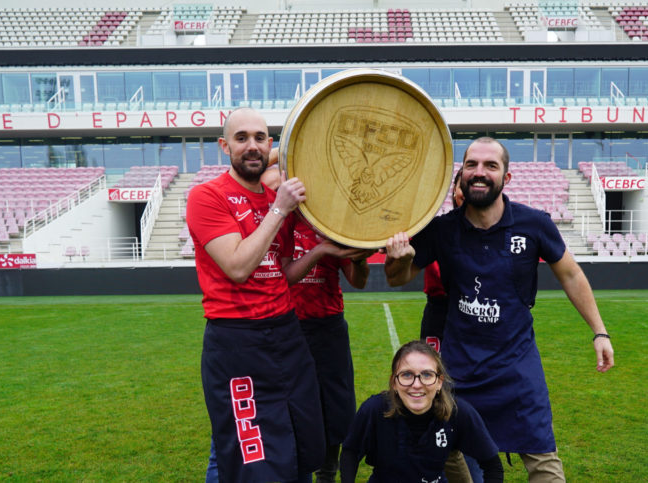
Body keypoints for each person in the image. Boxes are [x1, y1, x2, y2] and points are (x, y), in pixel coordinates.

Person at [384, 137, 615, 482]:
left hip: (518, 367)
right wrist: (397, 258)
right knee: (453, 457)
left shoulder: (534, 224)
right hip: (462, 370)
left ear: (507, 177)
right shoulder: (442, 230)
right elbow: (397, 277)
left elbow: (570, 273)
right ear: (461, 174)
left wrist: (599, 331)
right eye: (472, 165)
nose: (480, 172)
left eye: (490, 166)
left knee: (544, 463)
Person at [186, 107, 324, 482]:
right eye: (241, 138)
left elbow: (279, 275)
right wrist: (279, 209)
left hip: (286, 334)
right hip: (236, 341)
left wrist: (321, 252)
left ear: (271, 145)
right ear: (223, 145)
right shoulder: (206, 196)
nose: (252, 146)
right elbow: (237, 266)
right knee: (252, 459)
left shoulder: (273, 197)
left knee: (299, 446)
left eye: (260, 138)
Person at [263, 148, 377, 483]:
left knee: (334, 409)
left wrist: (358, 258)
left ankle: (328, 472)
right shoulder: (277, 223)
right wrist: (283, 150)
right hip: (289, 327)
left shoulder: (327, 222)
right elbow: (282, 277)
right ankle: (300, 470)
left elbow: (357, 282)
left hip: (327, 329)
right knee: (293, 407)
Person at [339, 340, 504, 483]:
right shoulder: (374, 410)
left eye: (426, 374)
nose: (416, 384)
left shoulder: (458, 413)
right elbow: (350, 452)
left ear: (439, 382)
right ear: (394, 383)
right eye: (407, 375)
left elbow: (493, 465)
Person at [419, 170, 464, 354]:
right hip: (438, 310)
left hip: (469, 310)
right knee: (432, 371)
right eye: (462, 185)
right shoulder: (438, 229)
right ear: (454, 190)